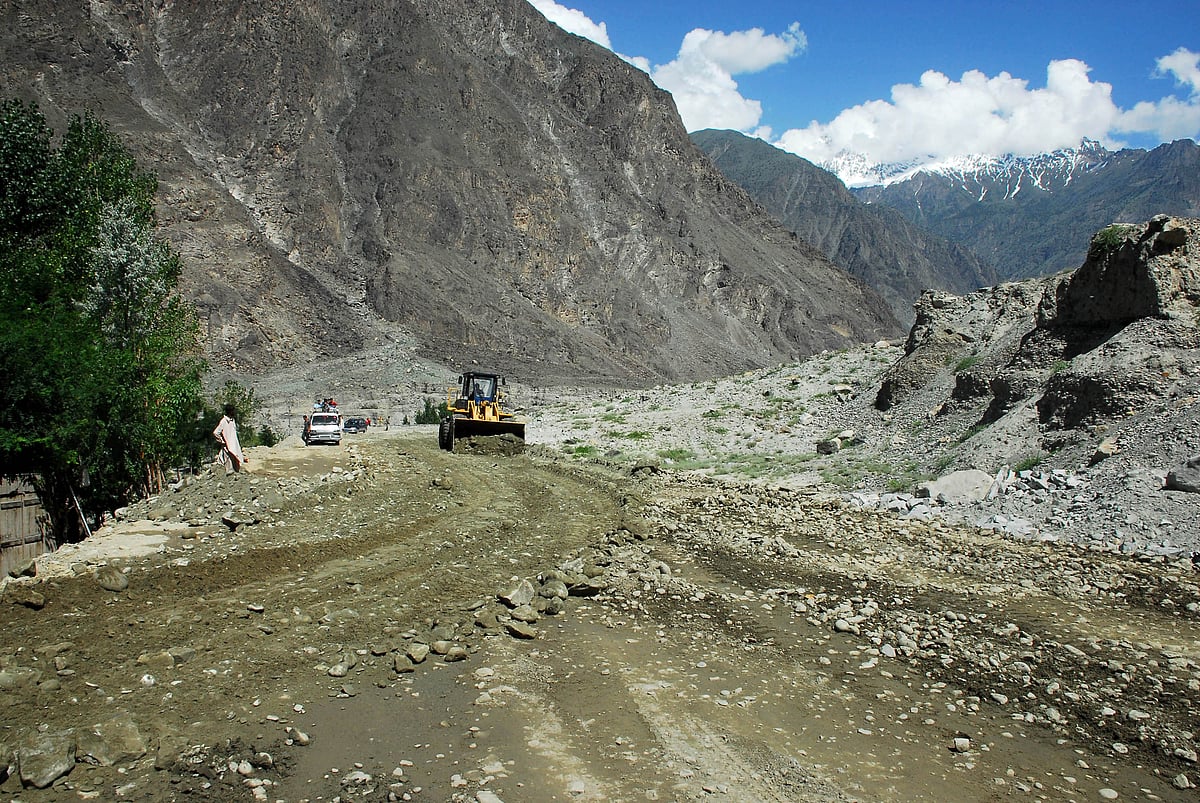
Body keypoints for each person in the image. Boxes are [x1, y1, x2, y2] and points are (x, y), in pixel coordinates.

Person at [213, 404, 247, 474]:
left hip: (234, 444)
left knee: (236, 460)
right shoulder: (223, 421)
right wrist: (222, 441)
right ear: (230, 411)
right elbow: (216, 432)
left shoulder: (232, 420)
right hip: (228, 446)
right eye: (233, 411)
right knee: (229, 463)